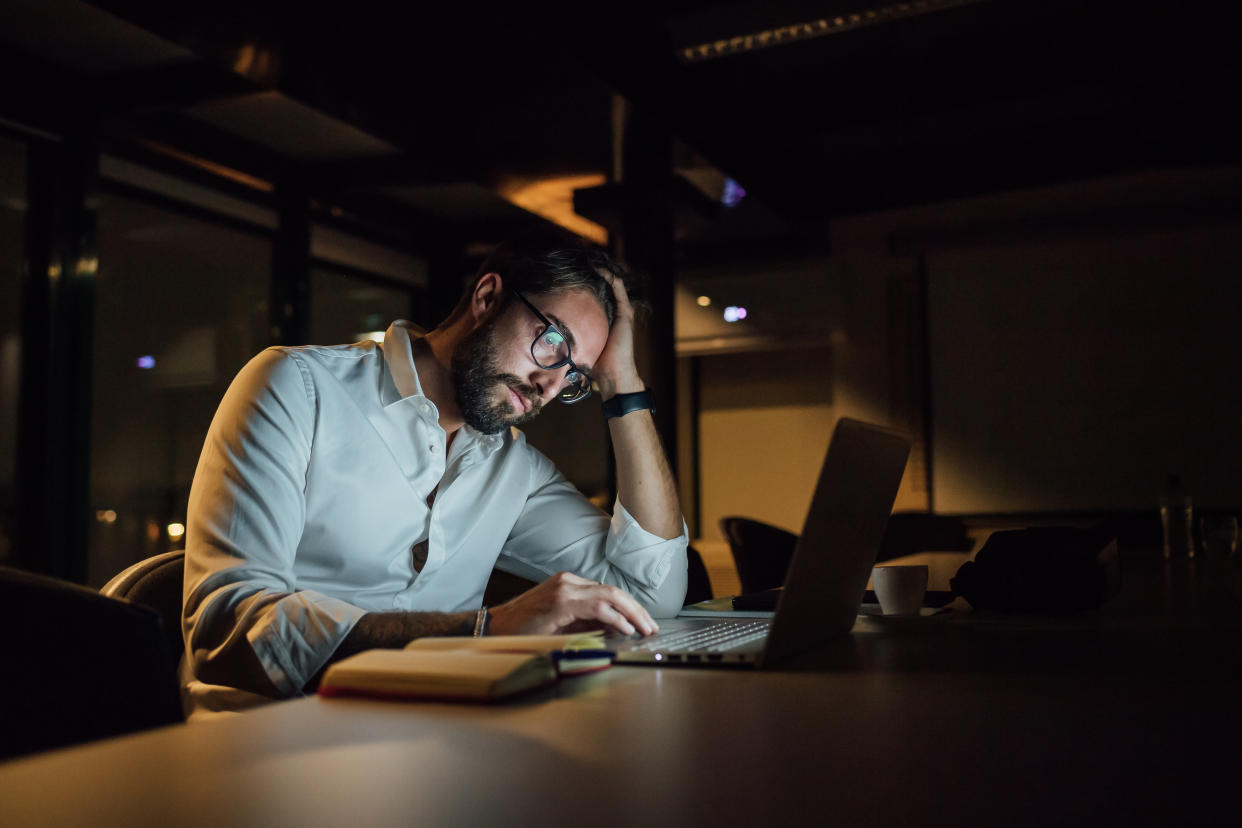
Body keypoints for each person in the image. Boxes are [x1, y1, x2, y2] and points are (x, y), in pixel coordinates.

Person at [181, 230, 688, 712]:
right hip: (268, 748)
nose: (549, 385)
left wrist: (623, 384)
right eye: (553, 340)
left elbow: (651, 594)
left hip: (440, 742)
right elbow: (227, 626)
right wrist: (482, 633)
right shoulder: (296, 387)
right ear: (488, 297)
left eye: (575, 375)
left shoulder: (517, 470)